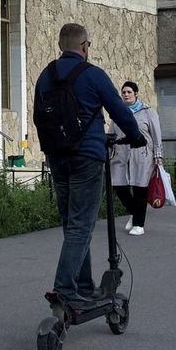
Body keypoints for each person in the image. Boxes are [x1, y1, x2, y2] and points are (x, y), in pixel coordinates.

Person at [34, 23, 143, 309]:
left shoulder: (46, 75)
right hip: (87, 157)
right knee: (82, 225)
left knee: (72, 224)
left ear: (61, 46)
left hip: (57, 157)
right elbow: (119, 111)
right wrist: (136, 137)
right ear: (84, 46)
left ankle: (83, 286)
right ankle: (65, 290)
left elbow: (38, 117)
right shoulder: (93, 74)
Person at [110, 81, 164, 236]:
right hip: (121, 155)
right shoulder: (118, 113)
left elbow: (156, 135)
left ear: (136, 94)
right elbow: (112, 133)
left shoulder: (148, 112)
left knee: (140, 188)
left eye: (129, 92)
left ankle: (139, 224)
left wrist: (158, 155)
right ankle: (135, 213)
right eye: (124, 92)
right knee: (119, 186)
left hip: (142, 155)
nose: (126, 94)